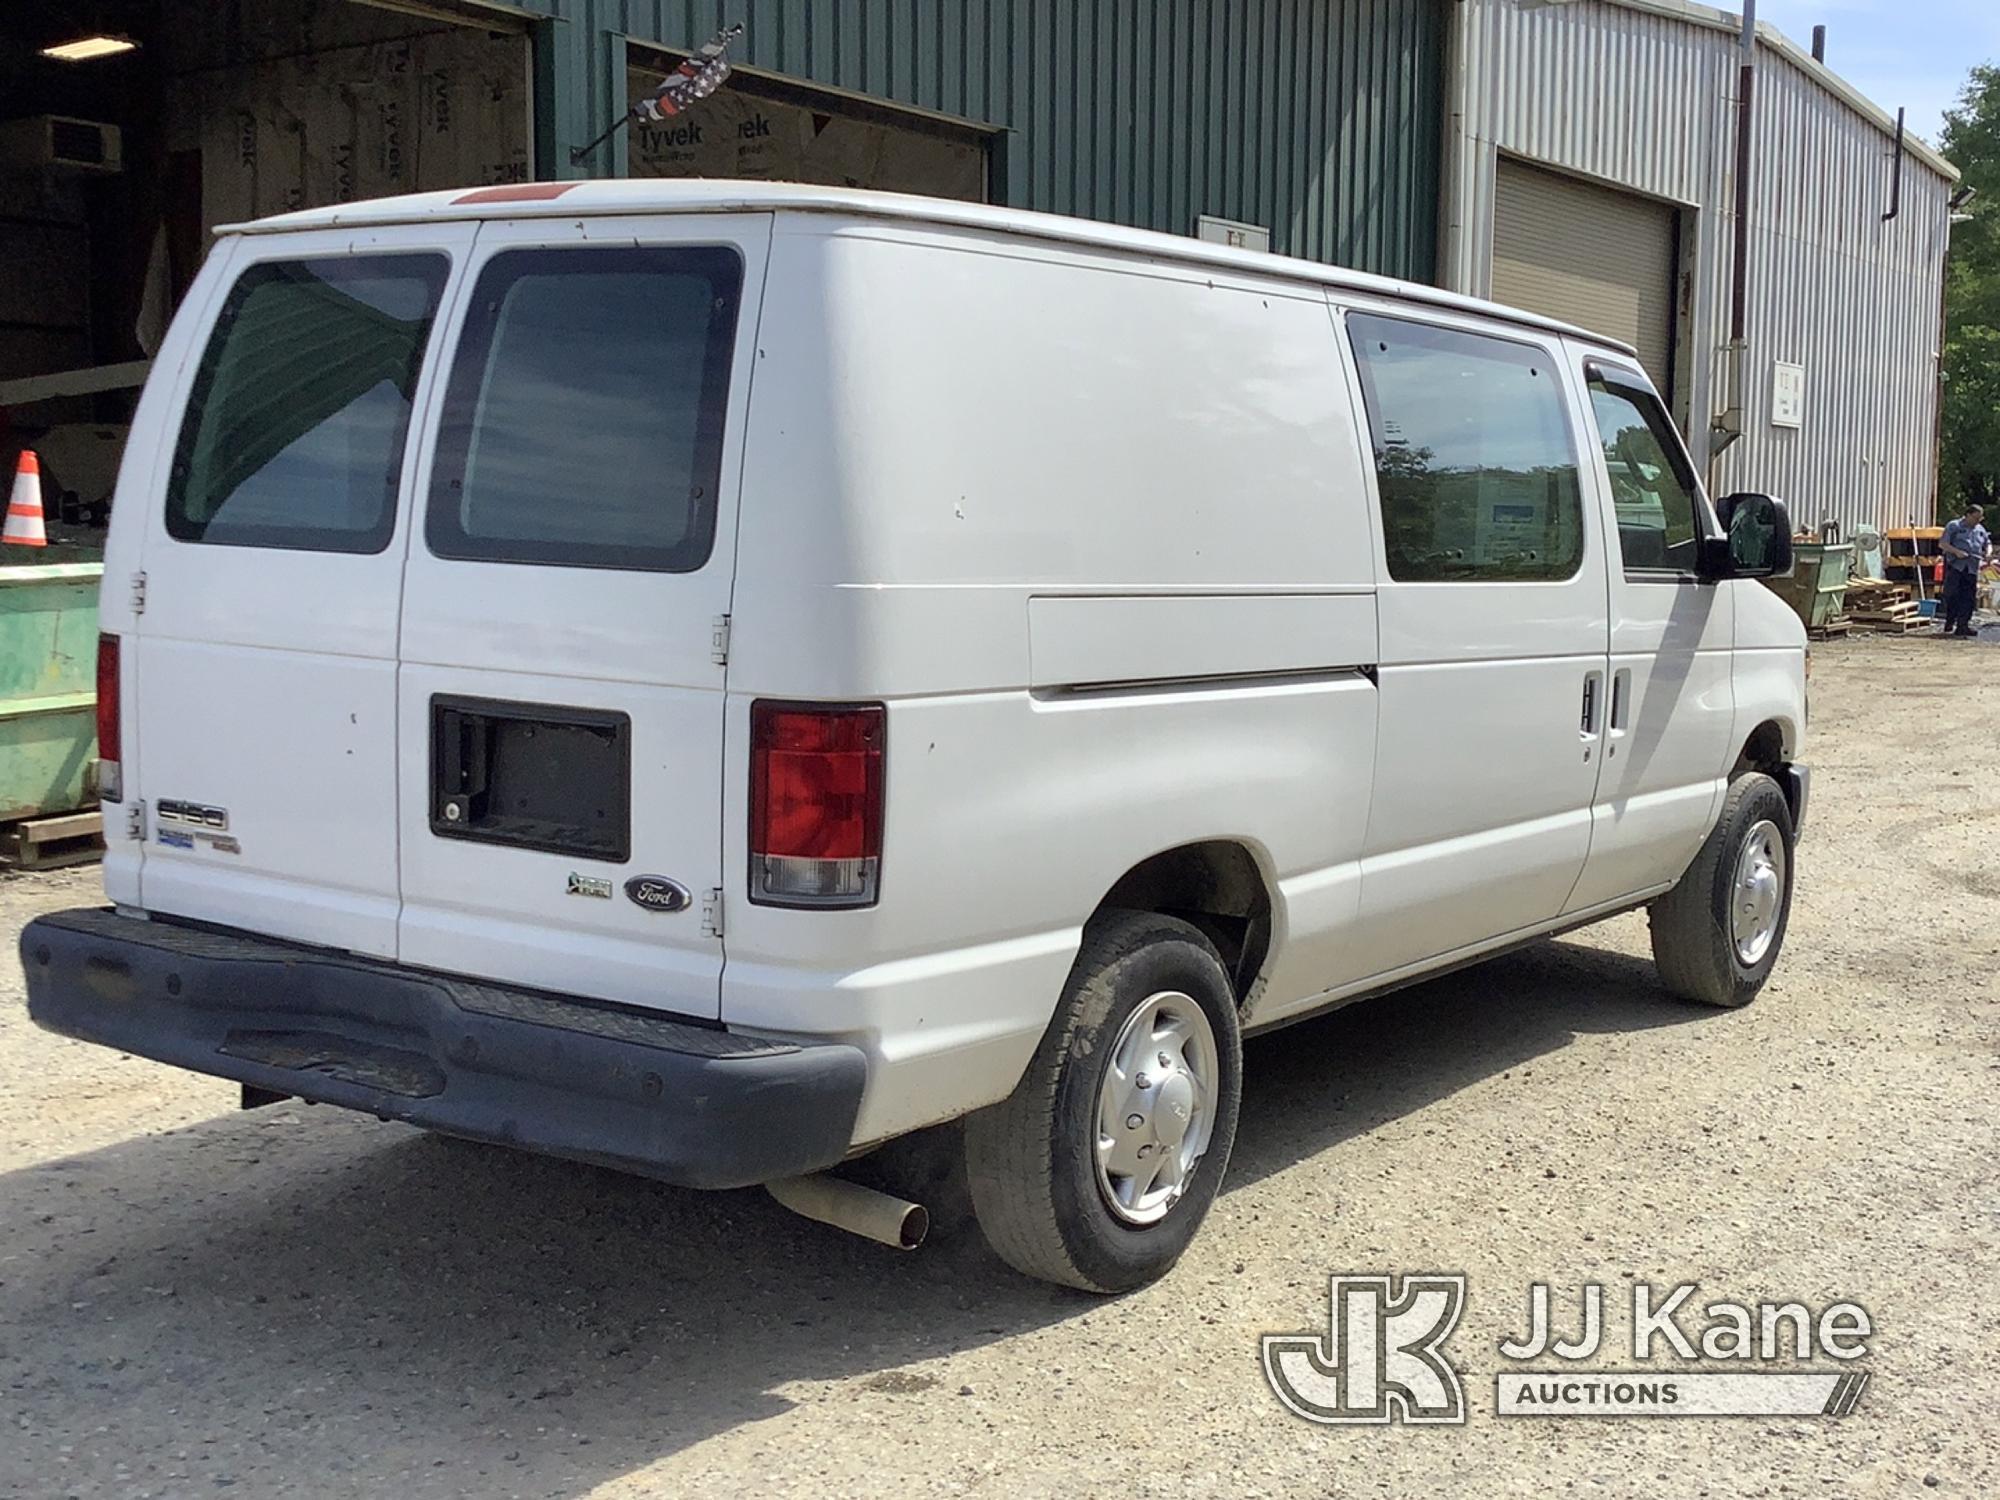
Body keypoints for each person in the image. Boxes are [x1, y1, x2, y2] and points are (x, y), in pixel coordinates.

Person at [1939, 503, 1991, 639]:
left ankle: (1963, 626)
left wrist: (1988, 553)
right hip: (1955, 566)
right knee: (1952, 595)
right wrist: (1956, 552)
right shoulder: (1954, 526)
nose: (1977, 522)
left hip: (1971, 568)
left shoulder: (1980, 529)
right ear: (1967, 515)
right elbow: (1943, 544)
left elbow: (1987, 543)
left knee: (1968, 598)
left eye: (1980, 519)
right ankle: (1950, 619)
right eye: (1975, 518)